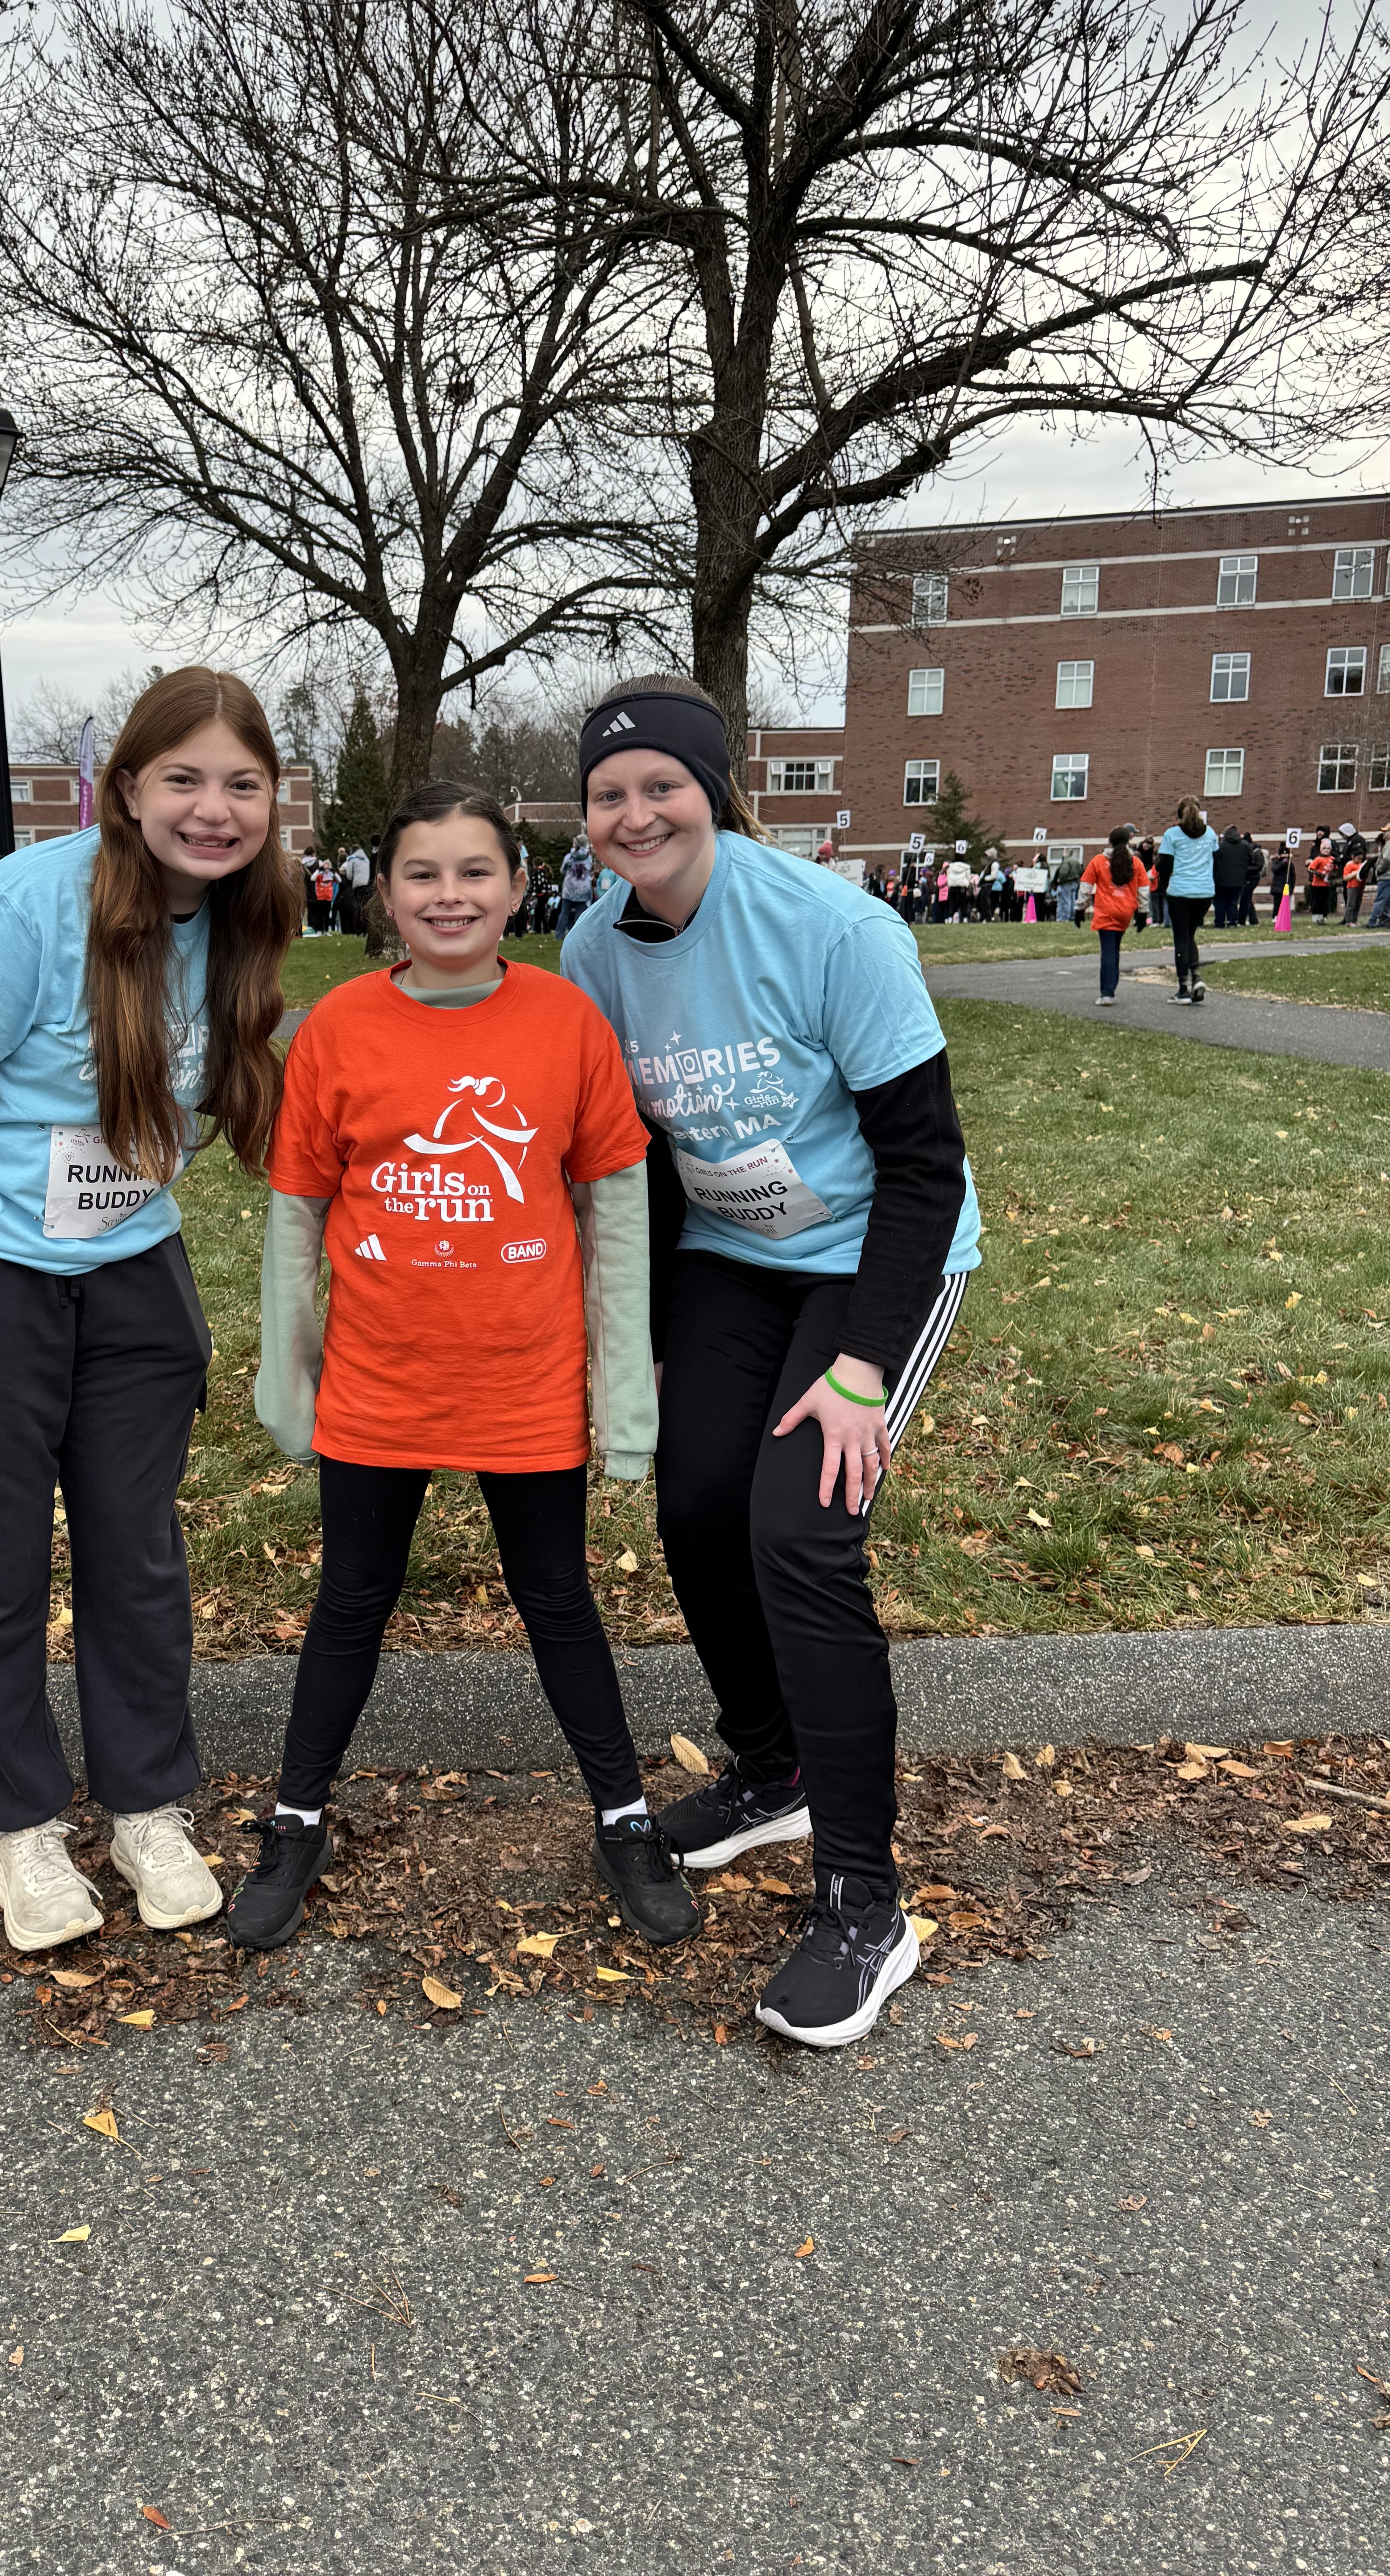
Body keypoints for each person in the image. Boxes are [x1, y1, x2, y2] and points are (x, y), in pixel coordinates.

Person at [562, 675, 981, 2049]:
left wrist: (862, 1368)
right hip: (735, 1259)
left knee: (799, 1532)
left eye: (661, 786)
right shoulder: (593, 956)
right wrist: (671, 1339)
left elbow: (926, 1165)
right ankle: (772, 1764)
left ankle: (867, 1901)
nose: (636, 812)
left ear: (715, 790)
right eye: (610, 793)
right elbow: (650, 1164)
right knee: (692, 1499)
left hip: (879, 1256)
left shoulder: (832, 929)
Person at [227, 781, 694, 1955]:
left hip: (523, 1381)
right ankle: (295, 1819)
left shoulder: (564, 1023)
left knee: (559, 1603)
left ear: (520, 888)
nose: (450, 894)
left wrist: (623, 1389)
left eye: (476, 871)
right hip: (380, 1385)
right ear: (384, 894)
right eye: (423, 874)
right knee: (350, 1604)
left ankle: (624, 1815)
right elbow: (295, 1216)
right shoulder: (339, 1030)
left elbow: (620, 1213)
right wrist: (288, 1371)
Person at [0, 667, 298, 1951]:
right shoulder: (35, 900)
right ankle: (23, 1835)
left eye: (240, 784)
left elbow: (237, 1095)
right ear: (126, 788)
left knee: (138, 1560)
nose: (212, 810)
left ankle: (146, 1807)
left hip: (134, 1279)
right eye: (182, 780)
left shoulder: (245, 914)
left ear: (272, 801)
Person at [1153, 795, 1217, 1003]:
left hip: (1181, 892)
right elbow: (1217, 857)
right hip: (1205, 892)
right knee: (1190, 936)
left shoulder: (1172, 834)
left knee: (1181, 938)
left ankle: (1183, 988)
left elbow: (1164, 865)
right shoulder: (1211, 834)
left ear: (1179, 813)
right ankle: (1196, 977)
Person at [1079, 827, 1145, 1004]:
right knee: (1115, 949)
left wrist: (1080, 909)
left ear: (1110, 842)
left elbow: (1085, 887)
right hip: (1125, 912)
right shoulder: (1135, 863)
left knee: (1108, 951)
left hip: (1106, 911)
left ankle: (1107, 993)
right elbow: (1144, 890)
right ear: (1128, 842)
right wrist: (1143, 912)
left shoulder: (1099, 861)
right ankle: (1111, 987)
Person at [556, 835, 596, 938]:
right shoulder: (589, 858)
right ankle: (577, 937)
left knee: (564, 913)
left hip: (569, 889)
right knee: (580, 914)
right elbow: (590, 870)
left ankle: (559, 935)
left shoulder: (570, 857)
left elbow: (562, 871)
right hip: (583, 889)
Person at [1341, 838, 1368, 926]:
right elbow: (1345, 878)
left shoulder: (1361, 865)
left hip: (1360, 886)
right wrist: (1354, 874)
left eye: (1361, 858)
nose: (1360, 860)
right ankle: (1349, 921)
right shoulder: (1350, 865)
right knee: (1351, 904)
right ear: (1353, 857)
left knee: (1357, 904)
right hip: (1352, 887)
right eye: (1358, 858)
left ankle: (1355, 920)